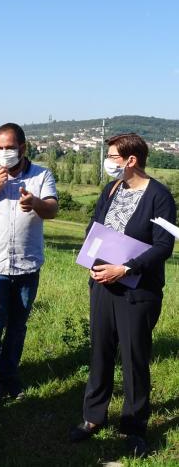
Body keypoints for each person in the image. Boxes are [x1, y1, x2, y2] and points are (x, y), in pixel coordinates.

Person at [70, 133, 176, 457]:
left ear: (131, 160)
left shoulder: (160, 196)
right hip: (102, 285)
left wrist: (126, 268)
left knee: (134, 359)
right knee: (100, 353)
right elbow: (95, 226)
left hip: (137, 292)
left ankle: (134, 427)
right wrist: (90, 259)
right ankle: (92, 418)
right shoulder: (112, 189)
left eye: (113, 156)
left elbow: (164, 246)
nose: (109, 162)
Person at [0, 123, 58, 419]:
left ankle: (9, 375)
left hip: (28, 265)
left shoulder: (41, 175)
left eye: (10, 147)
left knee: (18, 326)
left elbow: (53, 210)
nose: (5, 153)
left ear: (23, 147)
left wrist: (35, 202)